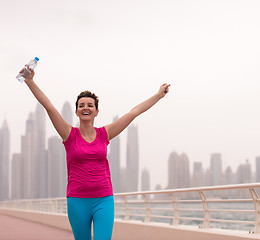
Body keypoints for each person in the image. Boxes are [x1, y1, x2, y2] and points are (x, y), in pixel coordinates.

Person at [21, 67, 170, 240]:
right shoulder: (69, 134)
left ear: (96, 112)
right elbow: (49, 107)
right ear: (76, 111)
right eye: (81, 105)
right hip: (77, 200)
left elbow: (133, 113)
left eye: (90, 105)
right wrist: (30, 81)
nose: (86, 108)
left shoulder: (104, 134)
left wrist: (158, 95)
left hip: (103, 199)